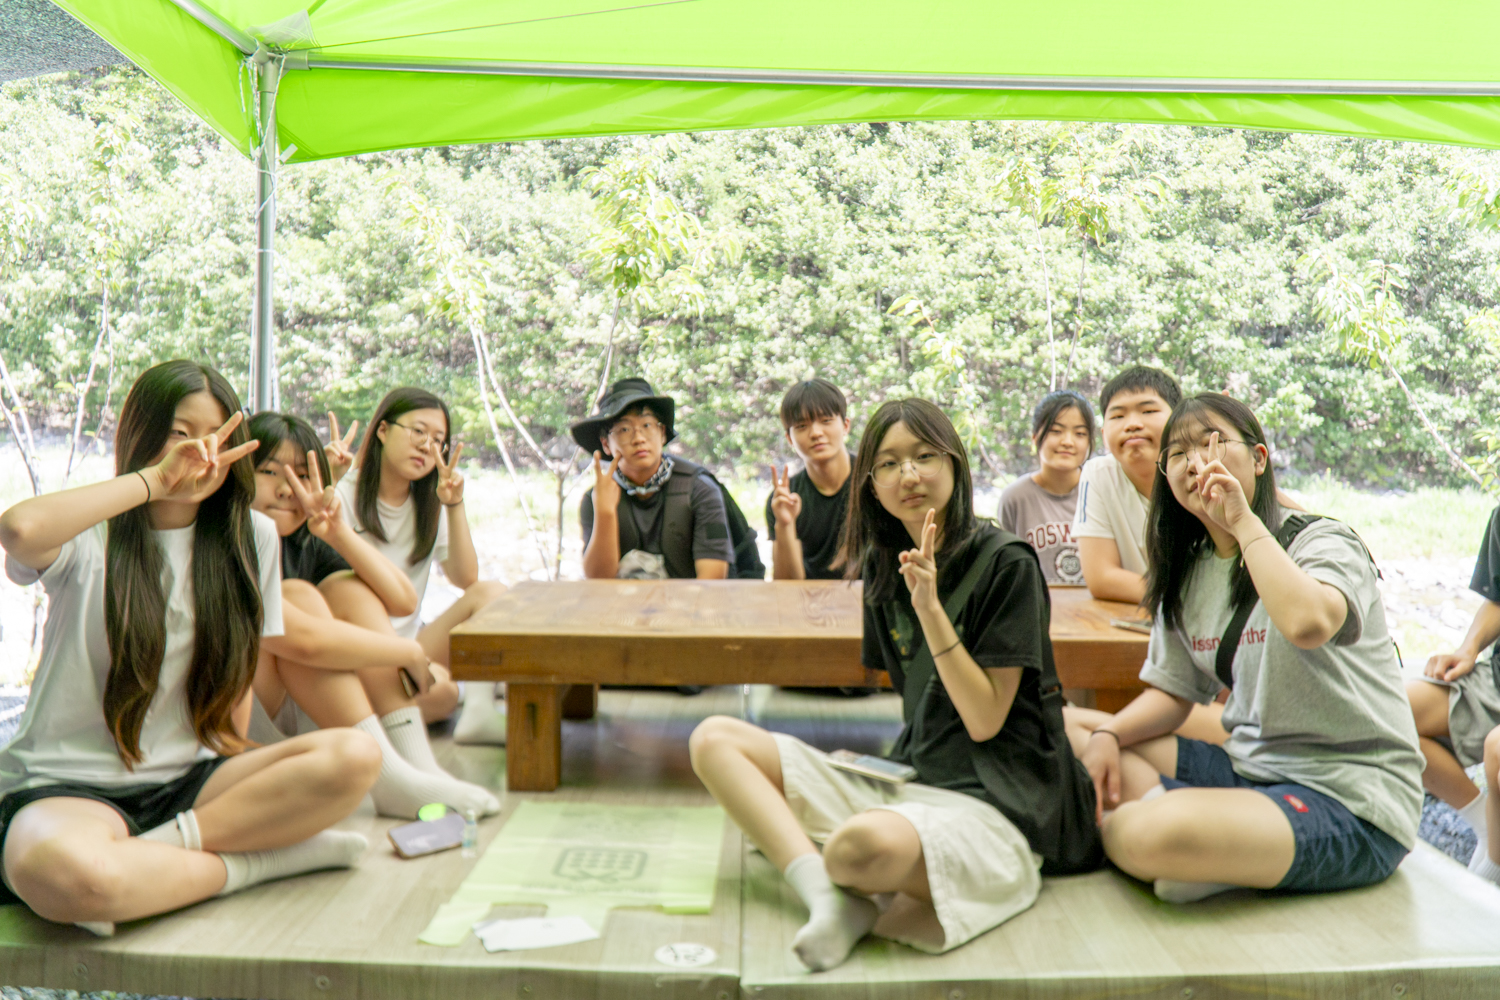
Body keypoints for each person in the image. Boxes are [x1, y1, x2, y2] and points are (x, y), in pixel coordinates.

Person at [690, 399, 1101, 972]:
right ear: (871, 484)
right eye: (888, 463)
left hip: (998, 805)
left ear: (954, 464)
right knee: (715, 739)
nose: (908, 474)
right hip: (912, 780)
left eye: (924, 456)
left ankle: (845, 871)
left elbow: (985, 720)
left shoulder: (1007, 564)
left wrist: (930, 609)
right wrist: (861, 771)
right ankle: (826, 896)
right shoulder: (885, 563)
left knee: (859, 848)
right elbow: (918, 703)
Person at [0, 360, 379, 936]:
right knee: (65, 875)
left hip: (194, 782)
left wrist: (255, 774)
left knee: (356, 756)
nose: (201, 452)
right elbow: (19, 530)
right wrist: (155, 480)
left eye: (217, 436)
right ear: (141, 435)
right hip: (68, 786)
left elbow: (234, 695)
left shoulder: (251, 537)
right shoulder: (90, 535)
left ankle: (146, 865)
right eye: (180, 433)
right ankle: (259, 864)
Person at [1073, 393, 1422, 904]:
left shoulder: (1321, 541)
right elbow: (1173, 694)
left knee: (1157, 832)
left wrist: (1240, 519)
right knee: (1070, 731)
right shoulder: (1188, 570)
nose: (1196, 462)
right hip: (1247, 769)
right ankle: (1214, 851)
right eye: (1178, 454)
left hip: (1350, 797)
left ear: (1259, 459)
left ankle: (1170, 840)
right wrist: (1108, 733)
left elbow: (1308, 622)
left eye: (1212, 443)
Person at [246, 411, 500, 819]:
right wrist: (405, 652)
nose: (287, 488)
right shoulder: (233, 535)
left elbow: (403, 601)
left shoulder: (307, 536)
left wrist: (338, 533)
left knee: (348, 589)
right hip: (241, 716)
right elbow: (303, 641)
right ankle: (391, 779)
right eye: (269, 472)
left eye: (301, 475)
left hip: (323, 691)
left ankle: (418, 769)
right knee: (300, 596)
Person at [333, 388, 509, 746]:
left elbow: (466, 579)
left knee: (492, 594)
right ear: (383, 431)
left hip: (410, 647)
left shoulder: (429, 502)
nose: (427, 446)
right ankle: (358, 712)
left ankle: (478, 712)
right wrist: (329, 481)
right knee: (443, 692)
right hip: (357, 653)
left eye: (438, 440)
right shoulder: (342, 495)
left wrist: (454, 504)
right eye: (418, 431)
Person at [1404, 503, 1500, 879]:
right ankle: (1484, 826)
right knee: (1390, 717)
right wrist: (1468, 650)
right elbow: (1497, 599)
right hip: (1494, 680)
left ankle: (1493, 863)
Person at [574, 378, 735, 581]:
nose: (639, 438)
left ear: (662, 433)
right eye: (624, 429)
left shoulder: (699, 489)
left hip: (689, 600)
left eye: (647, 425)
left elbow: (713, 579)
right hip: (620, 601)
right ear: (606, 444)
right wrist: (605, 513)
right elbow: (598, 580)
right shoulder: (595, 498)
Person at [1074, 366, 1181, 604]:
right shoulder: (1099, 474)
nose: (1132, 424)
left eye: (1148, 411)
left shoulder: (1200, 472)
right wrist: (1182, 602)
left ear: (1180, 421)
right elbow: (1101, 577)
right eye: (1118, 416)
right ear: (1104, 434)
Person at [998, 390, 1094, 586]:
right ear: (1035, 438)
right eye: (1056, 431)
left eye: (1079, 433)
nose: (1067, 442)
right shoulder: (1015, 498)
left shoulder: (1100, 492)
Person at [767, 379, 854, 581]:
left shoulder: (873, 481)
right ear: (789, 438)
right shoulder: (785, 499)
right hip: (809, 598)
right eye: (802, 426)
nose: (816, 433)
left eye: (826, 421)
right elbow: (787, 585)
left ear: (845, 425)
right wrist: (785, 524)